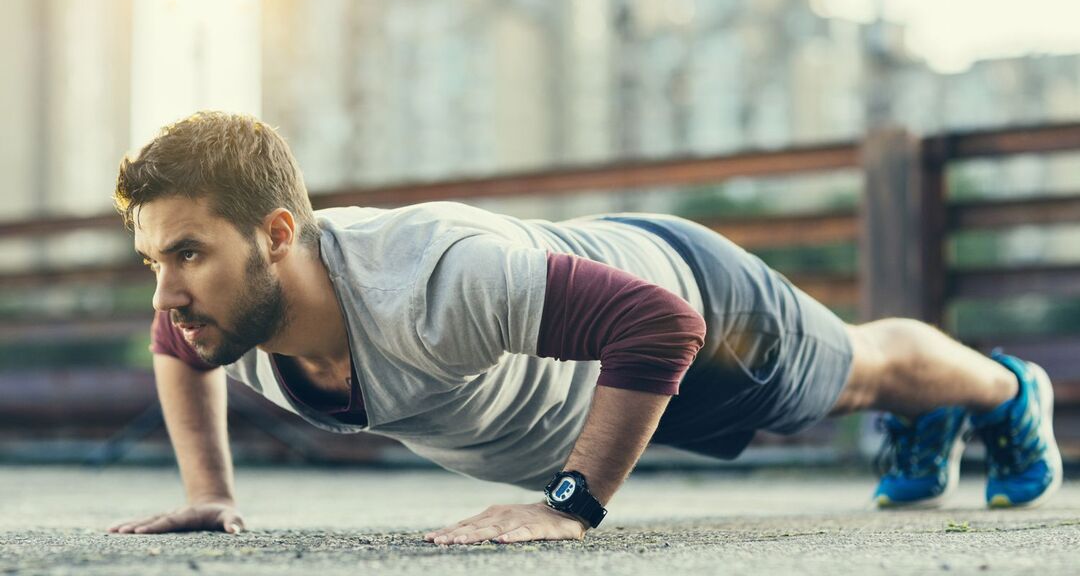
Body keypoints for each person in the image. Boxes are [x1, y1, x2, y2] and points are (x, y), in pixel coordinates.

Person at [107, 112, 1061, 544]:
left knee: (858, 369)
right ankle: (932, 422)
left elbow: (658, 323)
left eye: (188, 255)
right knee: (846, 391)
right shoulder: (228, 316)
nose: (166, 297)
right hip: (607, 393)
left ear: (277, 237)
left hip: (695, 303)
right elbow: (172, 347)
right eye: (154, 262)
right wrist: (209, 490)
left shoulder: (435, 280)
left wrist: (567, 505)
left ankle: (1009, 392)